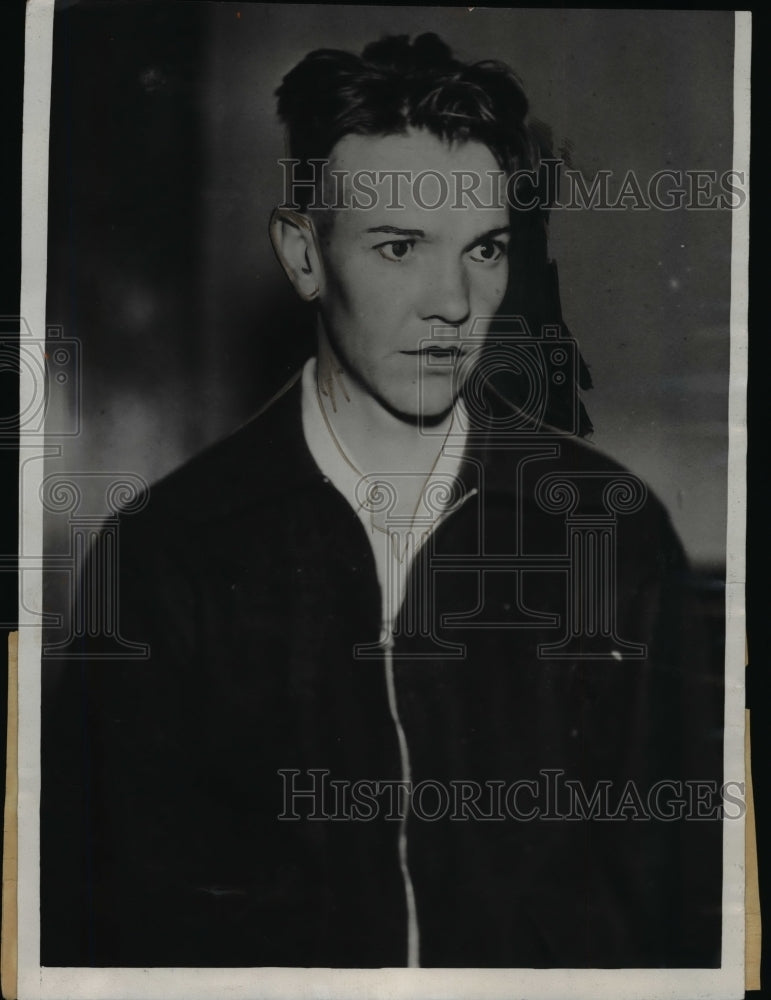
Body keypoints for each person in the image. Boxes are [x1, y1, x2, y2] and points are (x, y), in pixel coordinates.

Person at [41, 33, 723, 969]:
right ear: (303, 254)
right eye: (399, 247)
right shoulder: (167, 556)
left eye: (483, 249)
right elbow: (104, 931)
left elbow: (685, 914)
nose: (451, 300)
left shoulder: (611, 532)